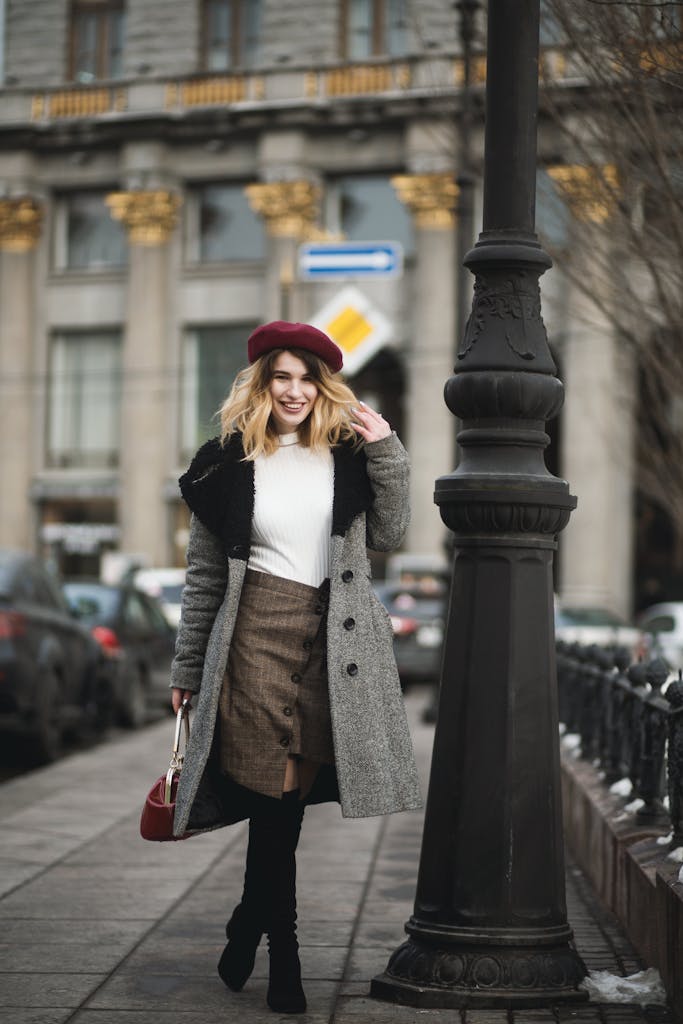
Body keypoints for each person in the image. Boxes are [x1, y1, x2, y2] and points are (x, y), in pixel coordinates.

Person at [170, 320, 422, 1015]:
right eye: (280, 376)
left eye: (307, 378)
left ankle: (247, 921)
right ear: (260, 382)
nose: (293, 390)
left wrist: (388, 452)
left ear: (324, 386)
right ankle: (286, 959)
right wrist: (188, 666)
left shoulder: (346, 457)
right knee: (272, 796)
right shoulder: (223, 464)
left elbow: (393, 534)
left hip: (331, 643)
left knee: (284, 807)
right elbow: (201, 580)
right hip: (252, 637)